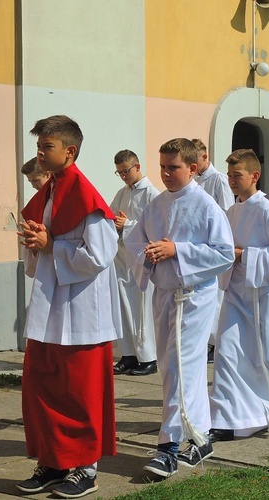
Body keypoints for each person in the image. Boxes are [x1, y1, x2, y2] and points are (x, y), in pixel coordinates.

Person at [16, 115, 119, 499]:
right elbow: (44, 241)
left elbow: (101, 253)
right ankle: (54, 461)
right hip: (49, 305)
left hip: (81, 309)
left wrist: (50, 247)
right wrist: (34, 241)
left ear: (70, 151)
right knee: (44, 386)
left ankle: (86, 468)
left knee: (81, 390)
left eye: (47, 147)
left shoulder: (86, 197)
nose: (40, 154)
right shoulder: (51, 191)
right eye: (39, 146)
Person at [125, 138, 234, 477]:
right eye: (162, 167)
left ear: (192, 167)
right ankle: (200, 438)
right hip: (164, 296)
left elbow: (224, 252)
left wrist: (178, 252)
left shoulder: (206, 205)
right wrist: (150, 253)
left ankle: (168, 447)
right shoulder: (156, 205)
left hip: (193, 297)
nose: (166, 173)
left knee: (181, 369)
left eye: (173, 167)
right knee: (174, 368)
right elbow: (134, 241)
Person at [209, 150, 269, 443]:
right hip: (236, 290)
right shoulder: (230, 212)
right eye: (228, 176)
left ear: (254, 176)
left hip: (265, 292)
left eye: (236, 175)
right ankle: (231, 418)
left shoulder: (268, 210)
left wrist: (244, 255)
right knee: (227, 353)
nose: (231, 181)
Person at [110, 149, 160, 376]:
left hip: (143, 263)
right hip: (123, 261)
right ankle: (129, 355)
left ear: (137, 167)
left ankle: (148, 358)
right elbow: (111, 218)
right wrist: (116, 223)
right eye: (119, 172)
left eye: (126, 171)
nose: (123, 176)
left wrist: (127, 224)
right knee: (124, 308)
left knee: (142, 311)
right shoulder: (122, 193)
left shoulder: (152, 194)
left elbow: (155, 229)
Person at [191, 138, 234, 362]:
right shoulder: (194, 180)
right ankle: (206, 339)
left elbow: (226, 212)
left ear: (205, 157)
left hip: (212, 245)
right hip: (198, 247)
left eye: (194, 160)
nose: (192, 165)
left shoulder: (218, 180)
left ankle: (215, 343)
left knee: (216, 298)